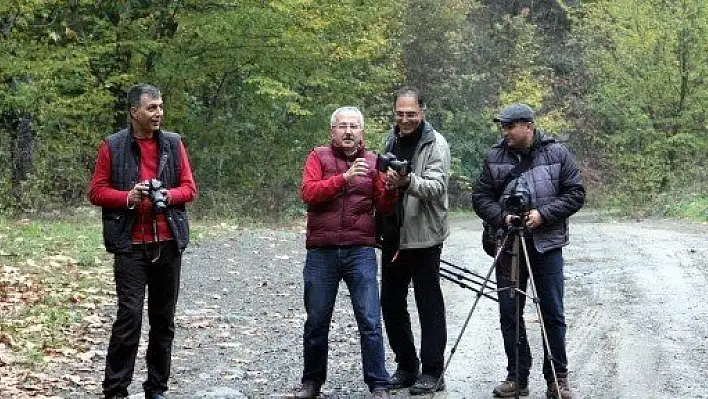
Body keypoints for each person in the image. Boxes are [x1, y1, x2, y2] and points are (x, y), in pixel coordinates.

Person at [88, 84, 197, 399]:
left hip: (168, 241)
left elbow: (190, 188)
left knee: (163, 321)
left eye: (161, 107)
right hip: (129, 245)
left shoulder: (174, 144)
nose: (159, 113)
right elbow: (96, 191)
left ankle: (156, 389)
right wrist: (129, 197)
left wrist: (168, 195)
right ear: (133, 111)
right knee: (129, 318)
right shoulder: (112, 146)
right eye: (151, 108)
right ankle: (115, 390)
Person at [471, 103, 585, 399]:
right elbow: (480, 197)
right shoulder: (494, 156)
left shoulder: (557, 153)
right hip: (507, 244)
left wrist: (543, 215)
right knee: (510, 312)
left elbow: (576, 193)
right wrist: (501, 217)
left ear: (528, 126)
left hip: (546, 244)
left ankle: (557, 378)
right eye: (503, 127)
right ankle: (517, 377)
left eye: (510, 126)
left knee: (552, 312)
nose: (505, 132)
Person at [295, 107, 394, 399]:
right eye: (342, 126)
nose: (348, 131)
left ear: (362, 132)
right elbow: (308, 193)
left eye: (354, 126)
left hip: (360, 249)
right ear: (332, 131)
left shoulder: (374, 160)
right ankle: (311, 383)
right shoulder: (318, 156)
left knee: (370, 320)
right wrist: (344, 179)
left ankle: (378, 384)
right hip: (321, 252)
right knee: (316, 320)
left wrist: (392, 188)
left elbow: (384, 206)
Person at [378, 87, 451, 395]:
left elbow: (437, 186)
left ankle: (433, 372)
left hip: (424, 236)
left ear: (423, 112)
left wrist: (407, 182)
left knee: (428, 304)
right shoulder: (390, 139)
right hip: (394, 235)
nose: (405, 119)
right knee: (391, 303)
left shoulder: (436, 143)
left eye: (411, 114)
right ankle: (407, 366)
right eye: (400, 113)